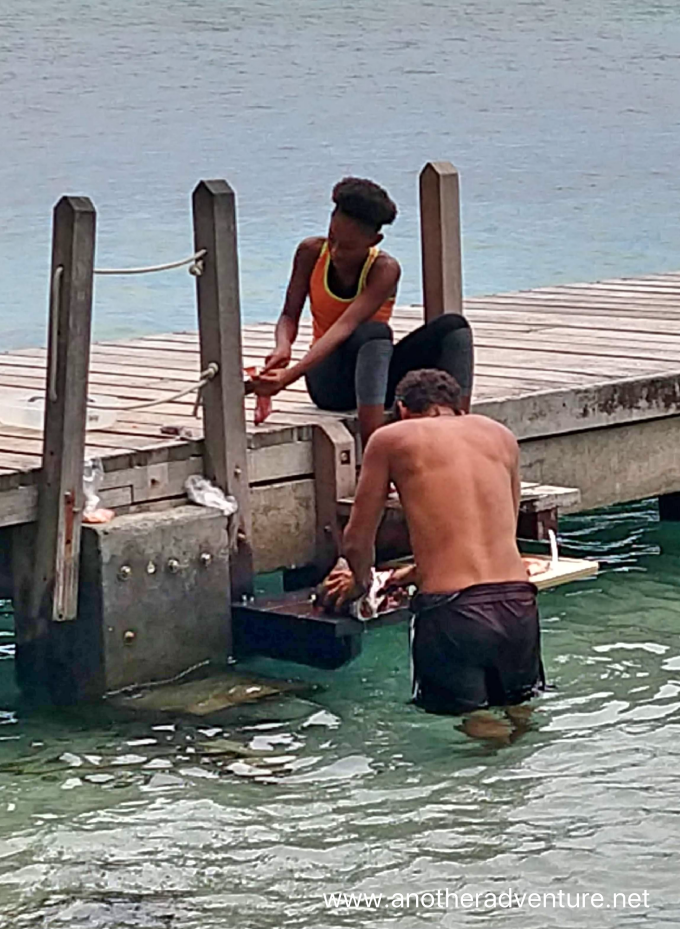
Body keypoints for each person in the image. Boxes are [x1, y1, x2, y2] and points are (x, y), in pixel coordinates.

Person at [320, 369, 545, 730]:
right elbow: (501, 531)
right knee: (520, 716)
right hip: (518, 603)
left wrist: (361, 584)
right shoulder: (501, 436)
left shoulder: (392, 438)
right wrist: (409, 573)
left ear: (404, 409)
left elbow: (356, 539)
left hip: (453, 612)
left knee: (477, 726)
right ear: (458, 407)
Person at [249, 178, 474, 447]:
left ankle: (463, 431)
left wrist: (288, 377)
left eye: (347, 246)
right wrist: (283, 346)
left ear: (374, 240)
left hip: (375, 375)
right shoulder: (310, 252)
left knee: (453, 327)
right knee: (374, 333)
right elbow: (289, 315)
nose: (335, 251)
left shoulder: (384, 269)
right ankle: (373, 450)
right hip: (330, 382)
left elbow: (346, 325)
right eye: (332, 238)